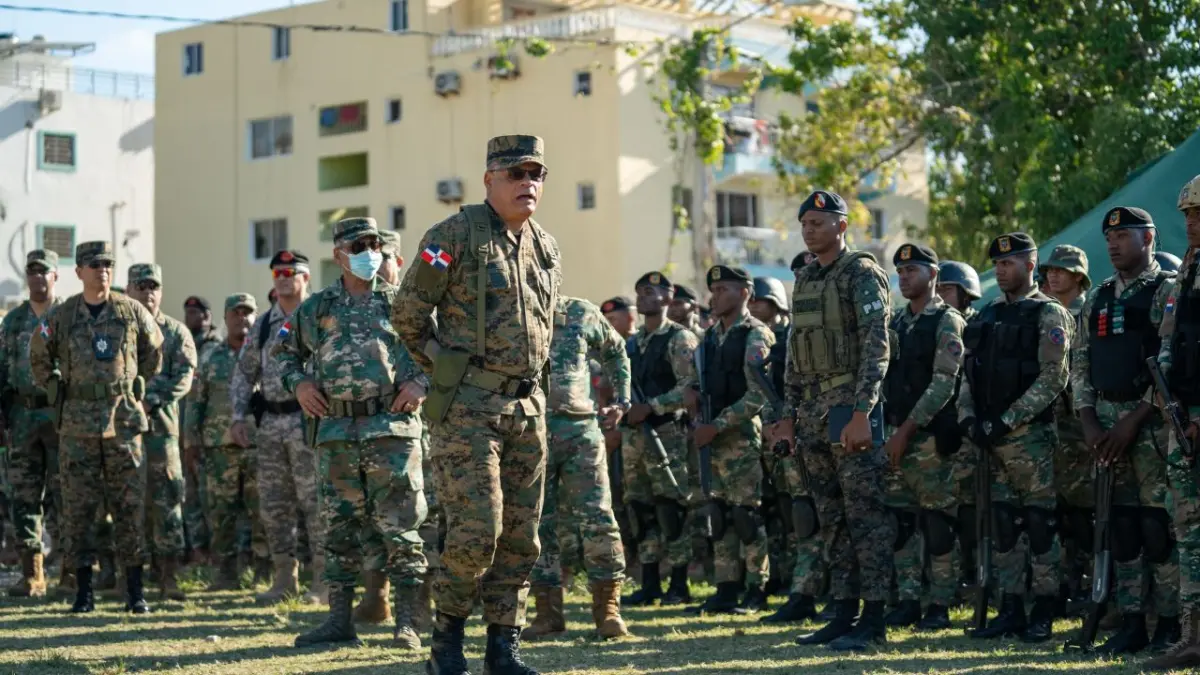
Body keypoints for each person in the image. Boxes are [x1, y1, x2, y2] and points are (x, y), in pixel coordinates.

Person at [391, 134, 561, 675]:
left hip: (528, 408)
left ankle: (503, 648)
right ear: (489, 180)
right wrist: (444, 369)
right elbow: (408, 314)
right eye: (516, 174)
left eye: (536, 174)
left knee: (520, 535)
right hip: (469, 411)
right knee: (475, 532)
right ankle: (446, 642)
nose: (527, 183)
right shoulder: (452, 236)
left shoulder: (547, 246)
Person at [275, 217, 429, 650]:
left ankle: (407, 623)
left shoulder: (402, 304)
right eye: (358, 245)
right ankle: (340, 621)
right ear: (338, 254)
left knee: (402, 529)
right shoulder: (317, 308)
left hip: (392, 431)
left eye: (374, 244)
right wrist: (300, 384)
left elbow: (436, 354)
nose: (369, 252)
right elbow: (284, 354)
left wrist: (420, 383)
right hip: (337, 432)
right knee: (339, 529)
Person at [770, 190, 895, 651]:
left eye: (819, 222)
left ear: (841, 226)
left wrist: (864, 412)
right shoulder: (804, 277)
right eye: (805, 222)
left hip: (850, 410)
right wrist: (787, 417)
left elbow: (877, 346)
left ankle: (875, 619)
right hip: (811, 415)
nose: (810, 229)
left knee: (866, 517)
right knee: (832, 518)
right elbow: (793, 357)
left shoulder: (861, 273)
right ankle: (843, 612)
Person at [29, 240, 164, 614]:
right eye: (93, 264)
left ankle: (134, 592)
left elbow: (155, 351)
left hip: (122, 423)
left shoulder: (131, 310)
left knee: (129, 507)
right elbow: (38, 354)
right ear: (79, 272)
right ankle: (83, 592)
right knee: (79, 509)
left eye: (107, 263)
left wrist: (135, 386)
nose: (101, 269)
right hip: (77, 426)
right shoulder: (64, 315)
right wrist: (55, 386)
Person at [1072, 206, 1179, 654]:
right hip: (1105, 431)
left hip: (1151, 427)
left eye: (1124, 235)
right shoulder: (1098, 296)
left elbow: (1172, 360)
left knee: (1157, 525)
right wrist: (1089, 420)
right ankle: (1132, 621)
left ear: (1149, 239)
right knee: (1123, 529)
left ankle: (1171, 623)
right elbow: (1079, 361)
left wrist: (1134, 421)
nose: (1113, 243)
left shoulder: (1165, 291)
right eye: (1109, 236)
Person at [959, 232, 1073, 643]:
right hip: (988, 436)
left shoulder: (1049, 314)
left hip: (1029, 437)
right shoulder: (986, 315)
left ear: (1030, 265)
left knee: (1041, 524)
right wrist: (968, 417)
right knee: (1005, 524)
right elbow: (967, 374)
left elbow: (1054, 378)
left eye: (1009, 263)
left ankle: (1044, 608)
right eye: (997, 263)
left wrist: (1008, 421)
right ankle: (1010, 607)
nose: (1001, 269)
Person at [523, 295, 630, 640]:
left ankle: (608, 611)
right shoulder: (510, 311)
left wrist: (621, 401)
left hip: (580, 430)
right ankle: (547, 614)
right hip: (530, 431)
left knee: (598, 518)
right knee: (537, 524)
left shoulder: (582, 312)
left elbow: (615, 351)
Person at [230, 250, 327, 607]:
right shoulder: (265, 324)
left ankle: (323, 583)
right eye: (277, 273)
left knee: (316, 505)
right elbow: (244, 372)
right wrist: (238, 416)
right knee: (274, 506)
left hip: (311, 424)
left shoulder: (320, 314)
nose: (283, 278)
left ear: (306, 277)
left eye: (290, 271)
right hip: (270, 425)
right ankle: (284, 579)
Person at [879, 244, 966, 631]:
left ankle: (940, 604)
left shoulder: (947, 320)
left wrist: (906, 431)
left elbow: (944, 382)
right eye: (900, 270)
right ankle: (910, 599)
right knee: (899, 523)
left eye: (912, 269)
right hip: (896, 435)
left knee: (937, 524)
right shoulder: (896, 324)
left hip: (929, 438)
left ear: (933, 275)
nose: (904, 276)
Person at [688, 265, 775, 614]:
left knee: (746, 516)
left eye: (724, 289)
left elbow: (760, 394)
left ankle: (758, 588)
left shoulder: (756, 335)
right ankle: (726, 587)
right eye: (714, 289)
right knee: (720, 514)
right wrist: (692, 400)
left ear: (745, 293)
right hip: (712, 439)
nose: (715, 296)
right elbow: (696, 382)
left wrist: (718, 424)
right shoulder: (710, 338)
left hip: (741, 438)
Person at [1146, 173, 1200, 670]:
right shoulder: (1189, 267)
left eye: (1198, 213)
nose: (1190, 222)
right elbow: (1170, 338)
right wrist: (1168, 398)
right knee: (1188, 527)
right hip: (1181, 414)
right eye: (1186, 214)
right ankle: (1192, 637)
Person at [621, 273, 698, 608]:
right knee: (641, 510)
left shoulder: (679, 338)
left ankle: (679, 583)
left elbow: (690, 388)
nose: (644, 297)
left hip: (666, 434)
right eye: (639, 292)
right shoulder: (633, 342)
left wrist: (650, 406)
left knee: (671, 509)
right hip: (634, 436)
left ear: (669, 297)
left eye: (652, 291)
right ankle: (649, 582)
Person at [126, 263, 198, 601]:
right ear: (129, 291)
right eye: (140, 286)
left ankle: (169, 577)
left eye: (153, 286)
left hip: (161, 431)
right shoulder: (118, 332)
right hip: (123, 432)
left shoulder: (176, 332)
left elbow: (184, 377)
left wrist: (149, 401)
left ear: (161, 292)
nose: (147, 292)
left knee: (168, 500)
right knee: (126, 502)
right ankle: (128, 577)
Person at [187, 293, 268, 590]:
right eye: (235, 312)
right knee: (220, 515)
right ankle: (225, 575)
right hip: (219, 448)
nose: (241, 318)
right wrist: (191, 442)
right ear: (225, 317)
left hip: (259, 446)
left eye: (247, 312)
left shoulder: (266, 354)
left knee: (263, 513)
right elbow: (196, 402)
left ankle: (263, 573)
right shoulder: (210, 357)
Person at [0, 250, 64, 598]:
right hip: (22, 417)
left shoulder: (68, 316)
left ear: (56, 276)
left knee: (64, 493)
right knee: (24, 495)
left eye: (45, 272)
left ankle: (69, 570)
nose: (38, 278)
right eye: (32, 273)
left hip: (60, 416)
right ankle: (32, 573)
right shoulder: (12, 322)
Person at [1039, 245, 1094, 611]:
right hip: (1054, 426)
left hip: (1083, 425)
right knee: (1061, 513)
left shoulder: (1087, 311)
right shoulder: (1046, 313)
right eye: (1050, 270)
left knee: (1088, 511)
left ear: (1078, 276)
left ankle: (1092, 588)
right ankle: (1067, 585)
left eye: (1063, 270)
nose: (1053, 275)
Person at [182, 295, 219, 564]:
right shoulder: (182, 345)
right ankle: (196, 549)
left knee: (212, 496)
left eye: (196, 312)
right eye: (188, 311)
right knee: (189, 494)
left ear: (207, 315)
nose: (191, 316)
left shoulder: (216, 349)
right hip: (184, 432)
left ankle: (217, 551)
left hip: (211, 434)